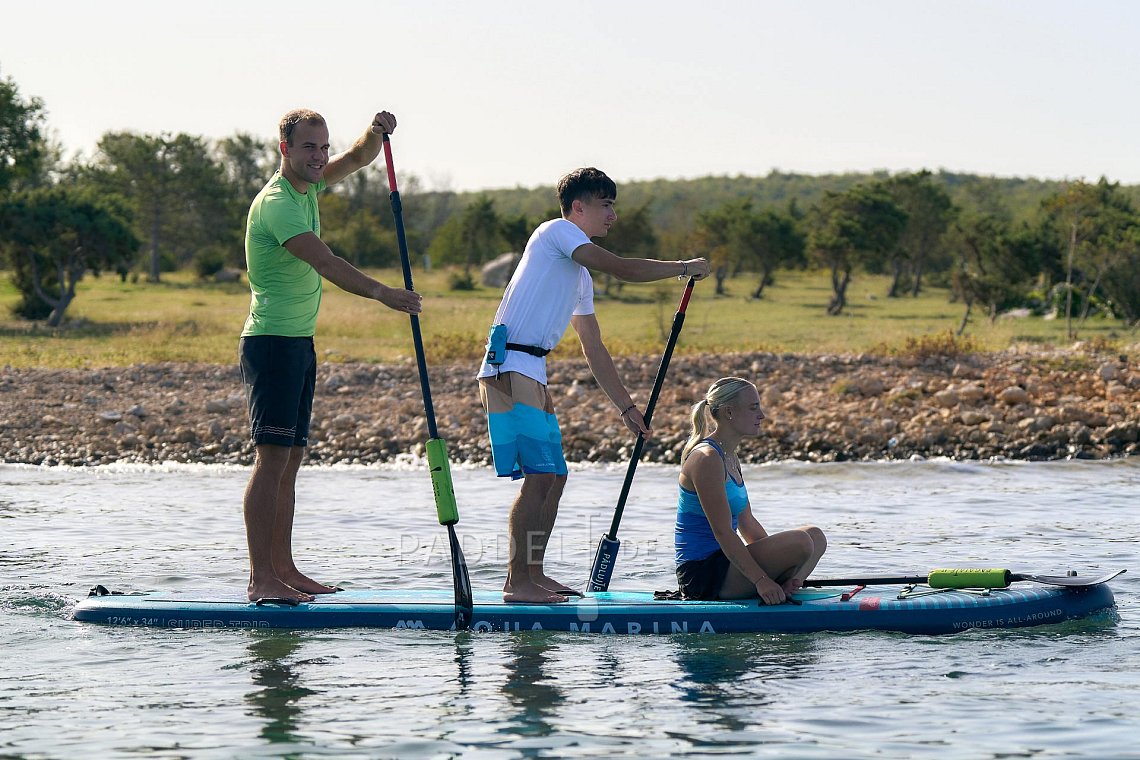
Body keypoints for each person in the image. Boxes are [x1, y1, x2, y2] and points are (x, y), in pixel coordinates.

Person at [477, 167, 711, 603]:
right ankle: (516, 581)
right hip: (508, 366)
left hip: (532, 370)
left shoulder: (579, 276)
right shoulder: (556, 231)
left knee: (556, 476)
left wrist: (627, 408)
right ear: (579, 207)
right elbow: (620, 268)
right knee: (541, 475)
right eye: (606, 206)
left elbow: (593, 346)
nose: (613, 216)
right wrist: (682, 268)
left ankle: (534, 573)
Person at [239, 108, 422, 604]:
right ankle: (261, 579)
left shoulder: (310, 186)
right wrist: (386, 294)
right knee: (272, 459)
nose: (319, 157)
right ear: (285, 151)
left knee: (292, 459)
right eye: (309, 148)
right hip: (272, 343)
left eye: (323, 147)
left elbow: (360, 157)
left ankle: (284, 568)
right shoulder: (278, 203)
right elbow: (325, 261)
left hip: (298, 343)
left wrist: (375, 132)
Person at [675, 377, 826, 603]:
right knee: (800, 542)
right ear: (728, 413)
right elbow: (723, 532)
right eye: (754, 407)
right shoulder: (707, 459)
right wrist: (761, 580)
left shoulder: (730, 456)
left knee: (815, 536)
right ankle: (774, 588)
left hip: (727, 562)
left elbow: (748, 524)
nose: (762, 415)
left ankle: (789, 586)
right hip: (703, 574)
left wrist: (778, 565)